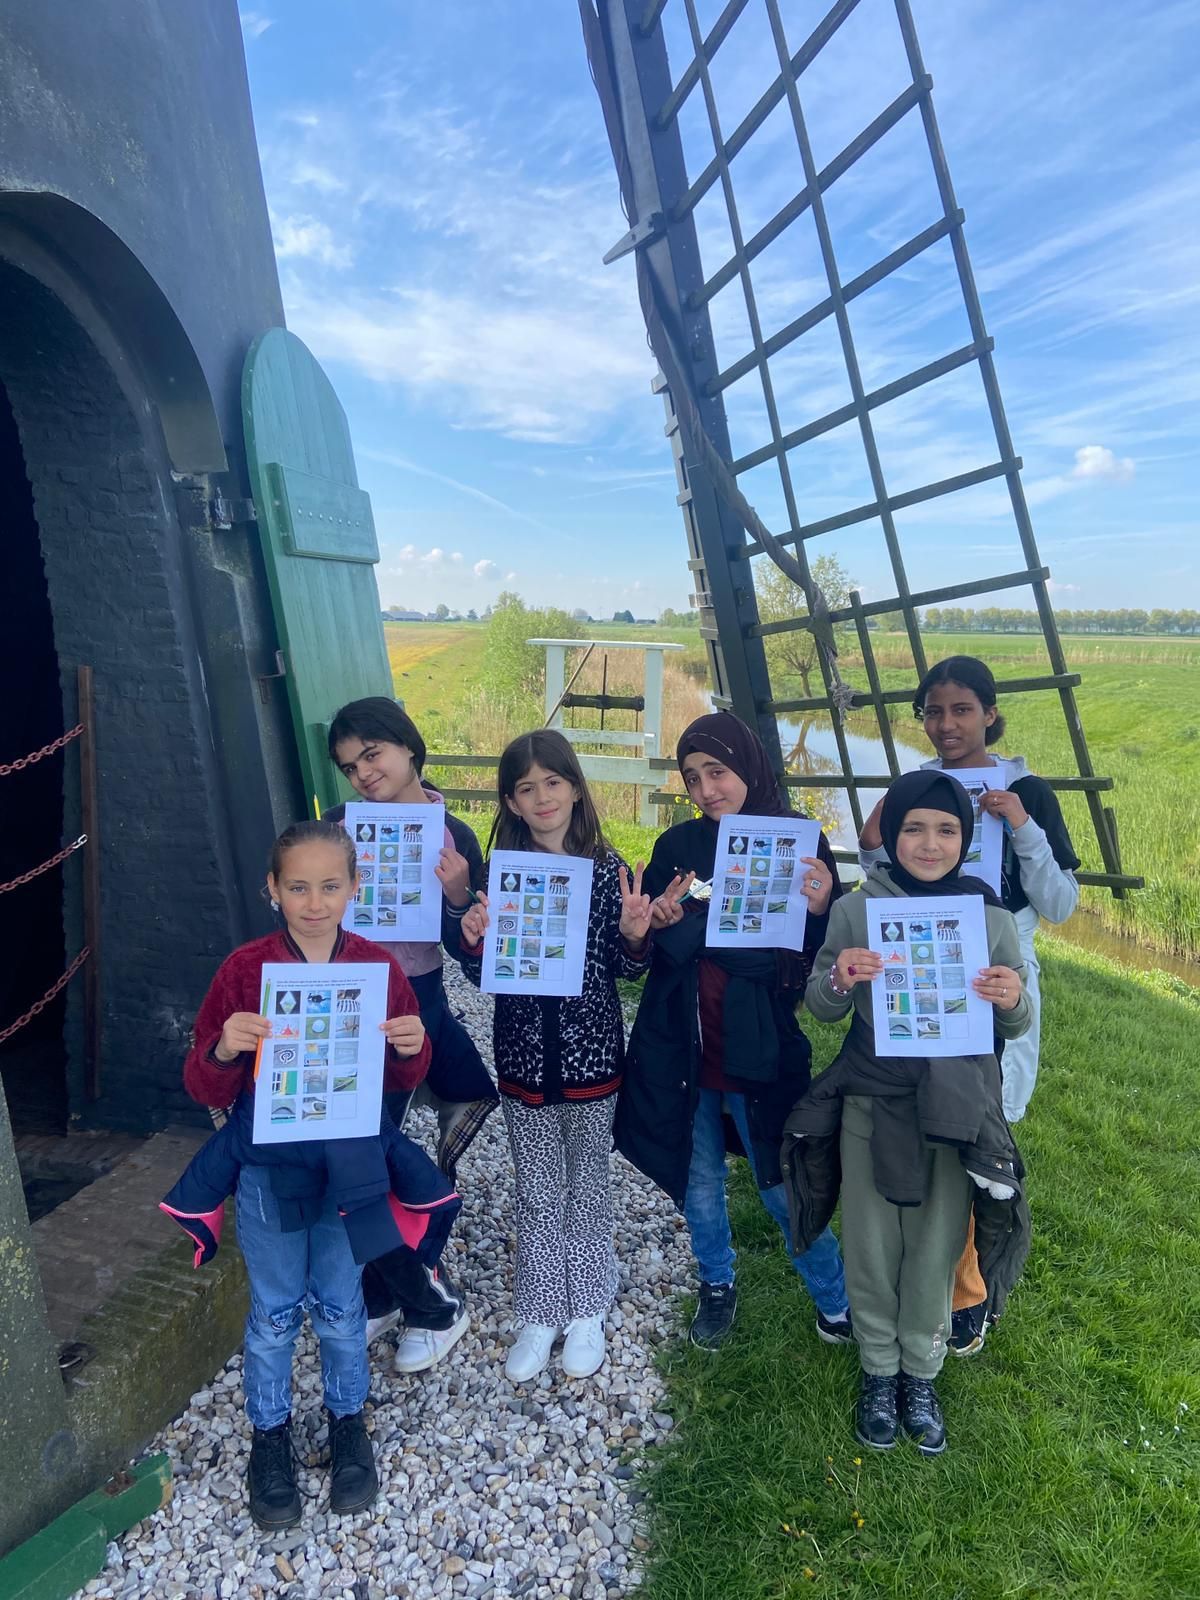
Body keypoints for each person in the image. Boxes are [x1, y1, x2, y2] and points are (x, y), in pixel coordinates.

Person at [177, 820, 442, 1530]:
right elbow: (204, 1085)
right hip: (268, 1168)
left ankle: (348, 1423)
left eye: (330, 886)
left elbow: (402, 1073)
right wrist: (226, 1048)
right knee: (272, 1310)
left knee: (340, 1303)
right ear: (273, 889)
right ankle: (269, 1436)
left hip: (349, 1170)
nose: (315, 901)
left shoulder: (379, 970)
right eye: (298, 886)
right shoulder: (245, 970)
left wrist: (414, 1047)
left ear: (355, 888)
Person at [794, 770, 1031, 1455]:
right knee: (871, 1244)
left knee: (933, 1247)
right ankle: (878, 1369)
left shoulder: (987, 916)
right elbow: (821, 1002)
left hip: (956, 1112)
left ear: (966, 838)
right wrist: (840, 978)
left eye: (947, 830)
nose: (930, 844)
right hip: (873, 1101)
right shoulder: (858, 910)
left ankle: (921, 1372)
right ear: (892, 837)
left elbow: (1016, 1021)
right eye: (914, 829)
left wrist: (1010, 995)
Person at [857, 655, 1079, 1352]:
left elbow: (1061, 904)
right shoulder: (918, 789)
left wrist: (1020, 825)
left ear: (989, 712)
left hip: (998, 977)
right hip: (925, 976)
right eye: (933, 711)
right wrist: (870, 842)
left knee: (988, 1134)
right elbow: (886, 889)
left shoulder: (1028, 792)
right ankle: (933, 1275)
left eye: (960, 709)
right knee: (934, 1122)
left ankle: (972, 1293)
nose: (947, 724)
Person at [615, 711, 852, 1351]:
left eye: (716, 772)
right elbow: (648, 961)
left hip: (761, 1047)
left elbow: (808, 960)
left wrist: (823, 906)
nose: (706, 790)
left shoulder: (801, 842)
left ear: (747, 765)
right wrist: (655, 928)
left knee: (782, 1187)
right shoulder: (676, 850)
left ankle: (836, 1300)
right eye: (692, 778)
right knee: (699, 1185)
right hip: (683, 1047)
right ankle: (717, 1283)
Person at [458, 729, 653, 1384]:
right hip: (521, 1058)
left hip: (593, 1060)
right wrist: (475, 941)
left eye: (553, 782)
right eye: (525, 788)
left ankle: (589, 1305)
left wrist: (633, 936)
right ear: (510, 801)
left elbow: (622, 969)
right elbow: (484, 971)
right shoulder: (498, 877)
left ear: (574, 787)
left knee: (589, 1186)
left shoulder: (607, 871)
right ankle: (541, 1310)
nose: (542, 798)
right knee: (539, 1190)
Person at [327, 697, 499, 1371]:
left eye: (373, 754)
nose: (364, 773)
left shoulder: (451, 830)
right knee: (365, 1150)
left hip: (416, 1001)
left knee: (380, 1147)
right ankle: (400, 1289)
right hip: (346, 1007)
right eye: (350, 765)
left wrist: (460, 897)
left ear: (407, 747)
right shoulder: (337, 826)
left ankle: (406, 1286)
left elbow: (470, 953)